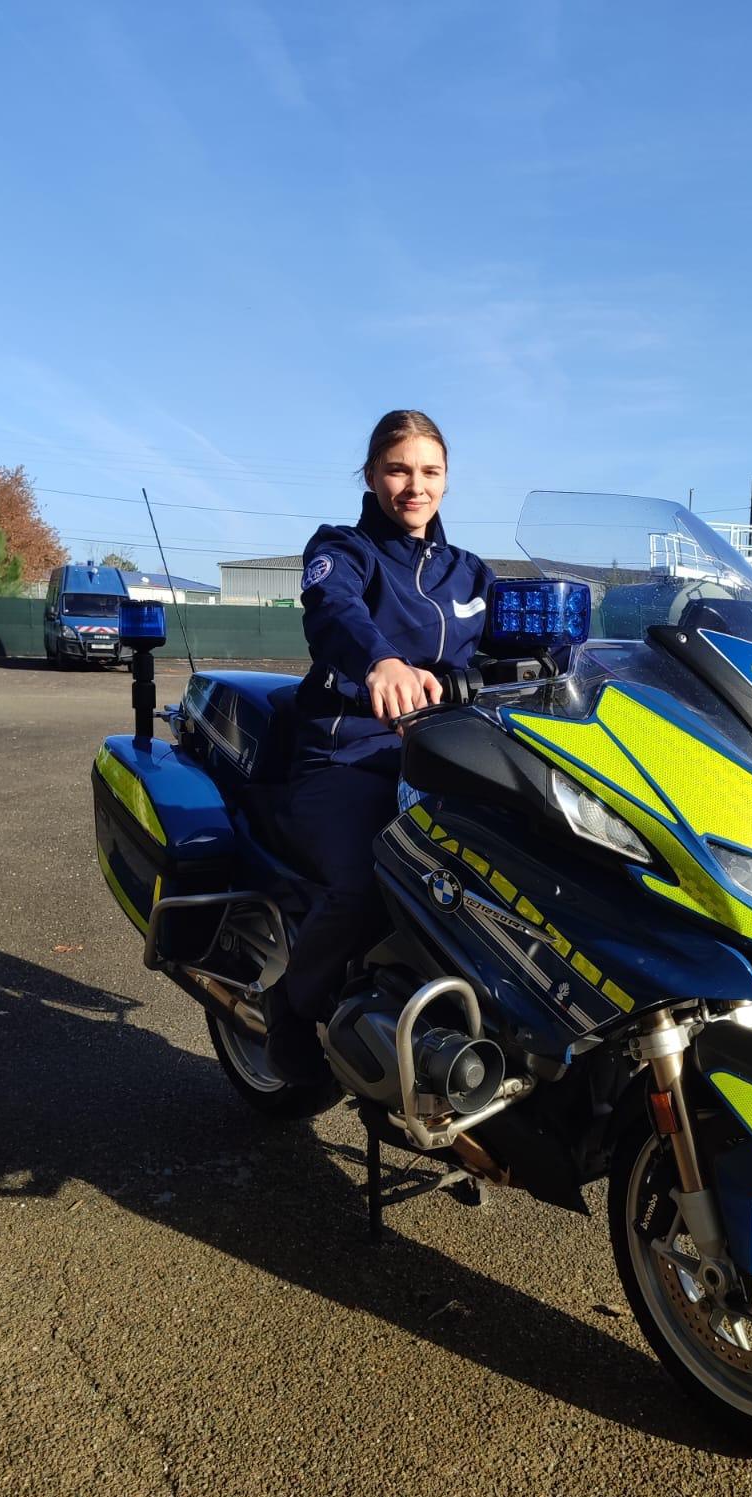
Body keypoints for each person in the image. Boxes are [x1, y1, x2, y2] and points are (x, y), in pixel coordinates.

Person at [263, 411, 492, 1082]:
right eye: (398, 470)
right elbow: (334, 609)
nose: (414, 487)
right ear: (370, 476)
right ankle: (291, 1005)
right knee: (368, 881)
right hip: (350, 750)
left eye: (429, 471)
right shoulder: (344, 549)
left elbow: (529, 645)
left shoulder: (471, 573)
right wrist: (380, 663)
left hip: (453, 753)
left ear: (446, 480)